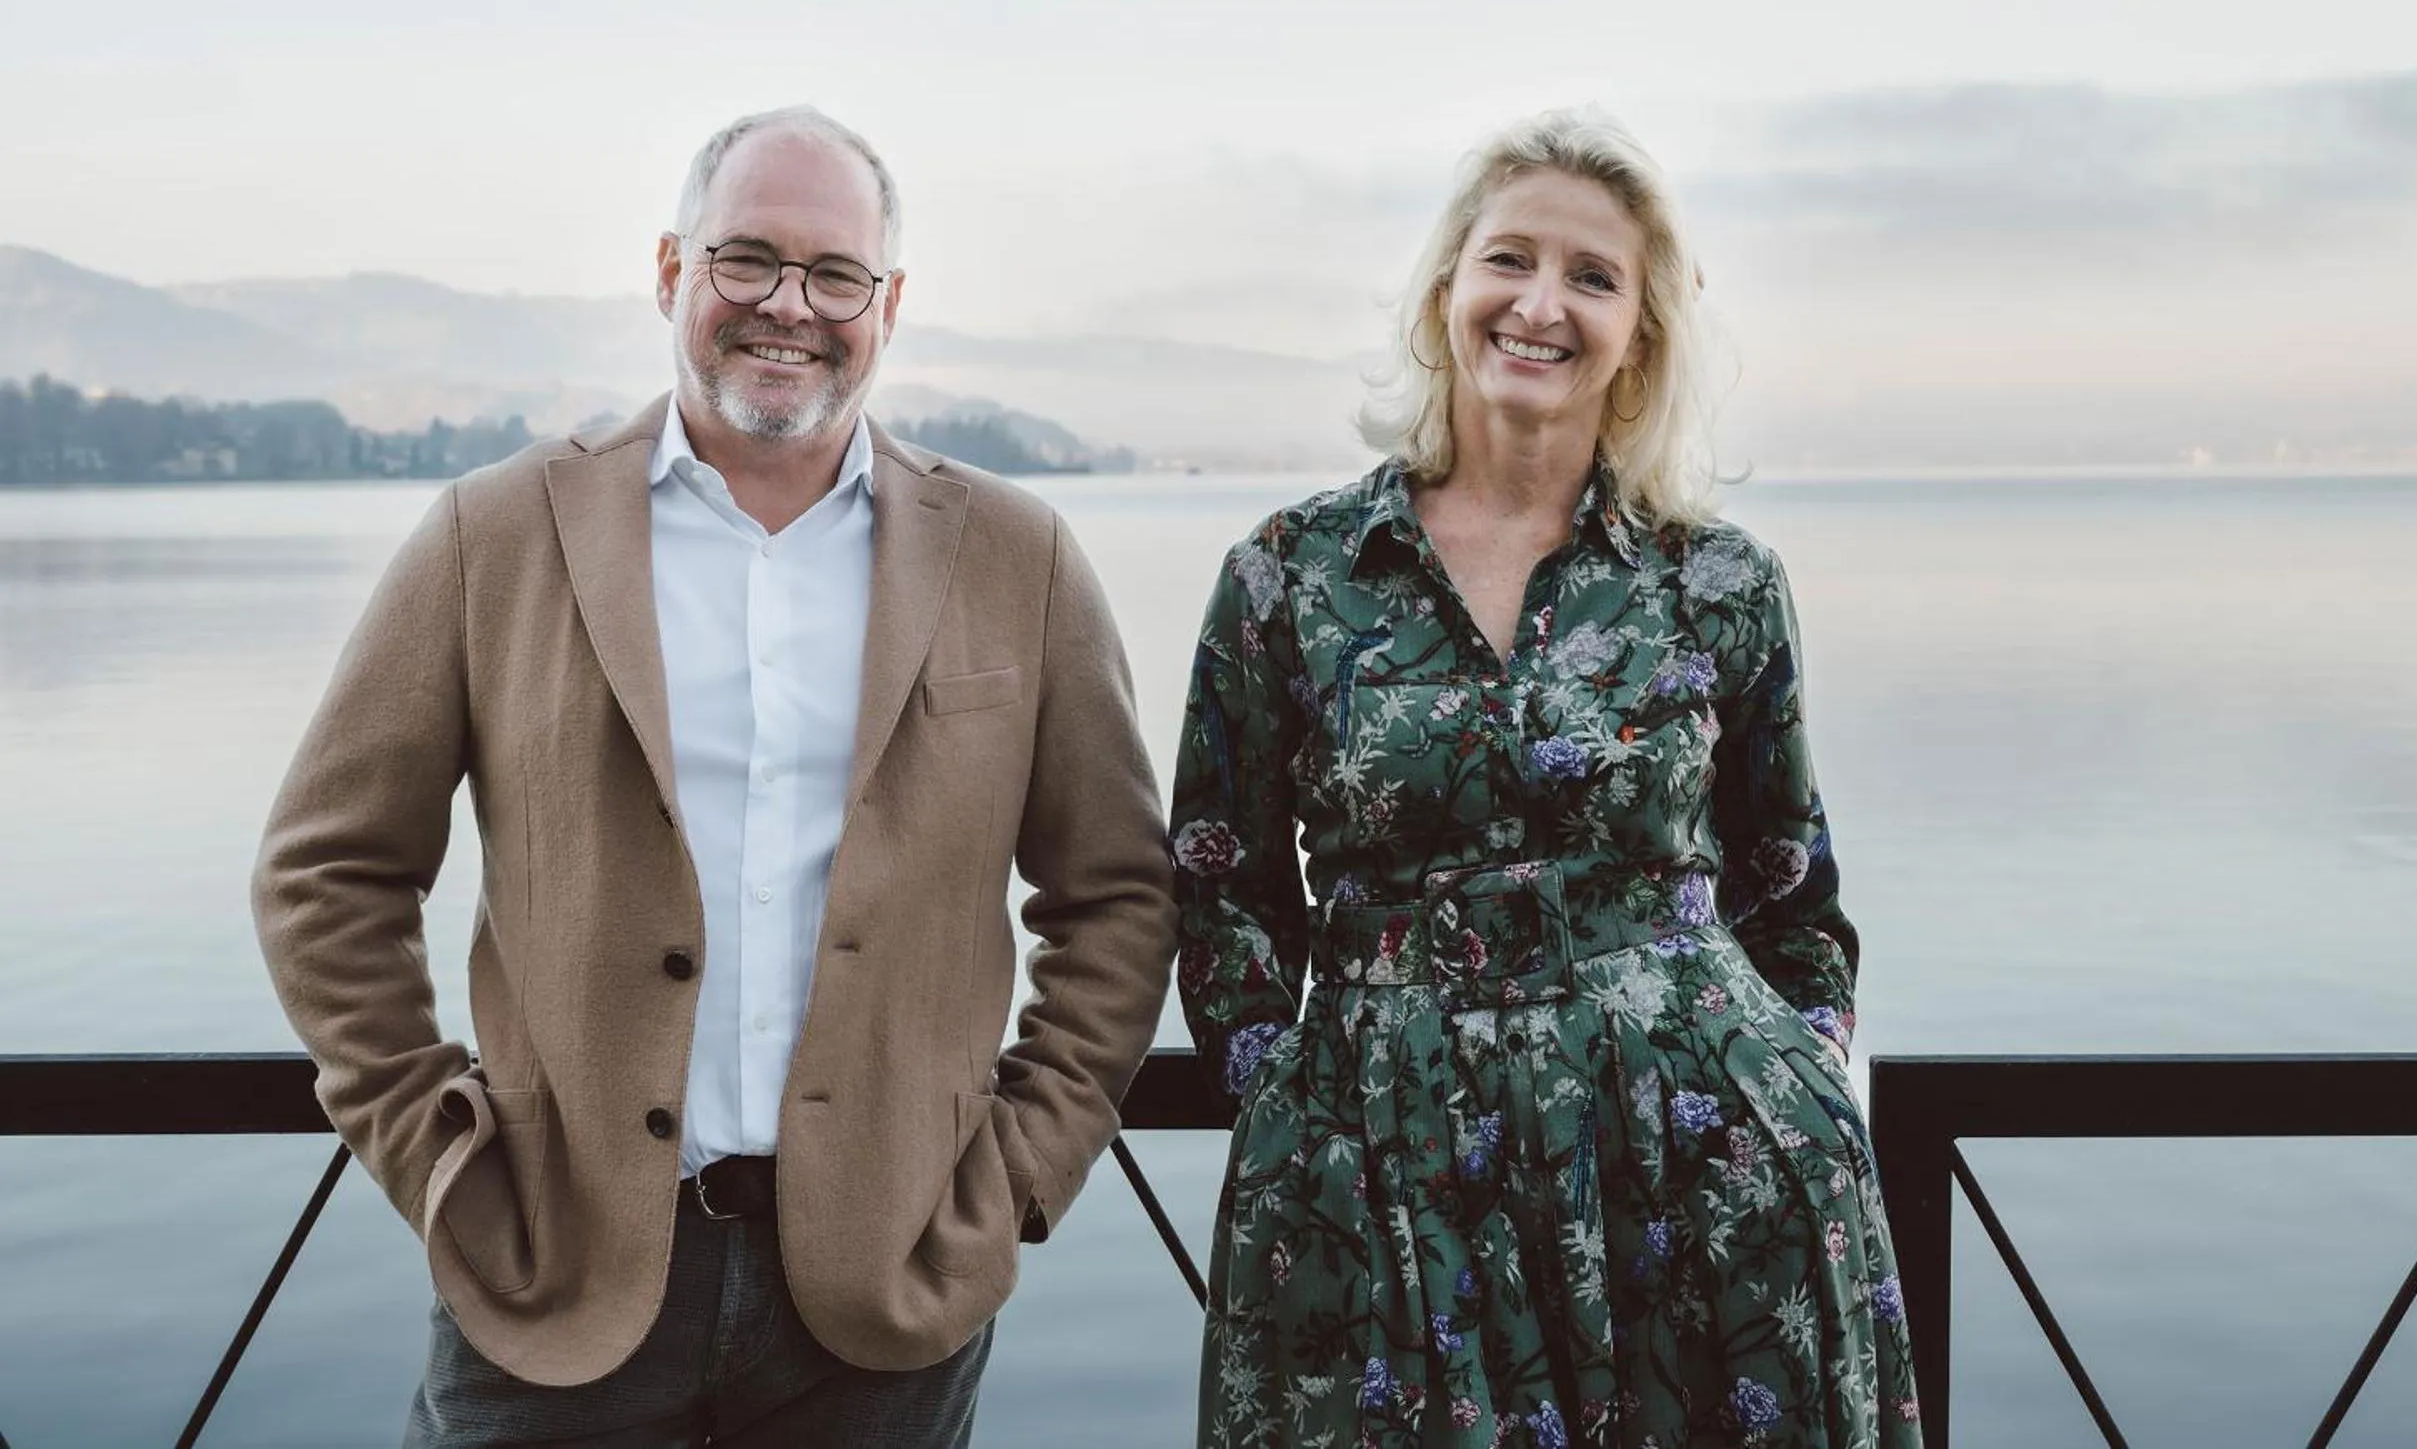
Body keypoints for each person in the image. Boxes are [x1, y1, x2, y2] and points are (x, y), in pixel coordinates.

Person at [253, 106, 1178, 1448]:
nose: (787, 307)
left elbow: (1116, 895)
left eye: (834, 275)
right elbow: (323, 873)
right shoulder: (494, 534)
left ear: (890, 303)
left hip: (884, 1303)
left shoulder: (1016, 558)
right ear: (670, 269)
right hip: (552, 1284)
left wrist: (1017, 1171)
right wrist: (433, 1148)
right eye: (745, 260)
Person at [1170, 109, 1919, 1447]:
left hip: (1695, 1168)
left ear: (1641, 332)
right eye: (1508, 259)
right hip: (1380, 1165)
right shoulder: (1290, 576)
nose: (1541, 303)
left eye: (1592, 276)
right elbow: (1218, 876)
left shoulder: (1716, 580)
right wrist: (1280, 1092)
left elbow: (1788, 884)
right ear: (1445, 288)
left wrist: (1802, 1077)